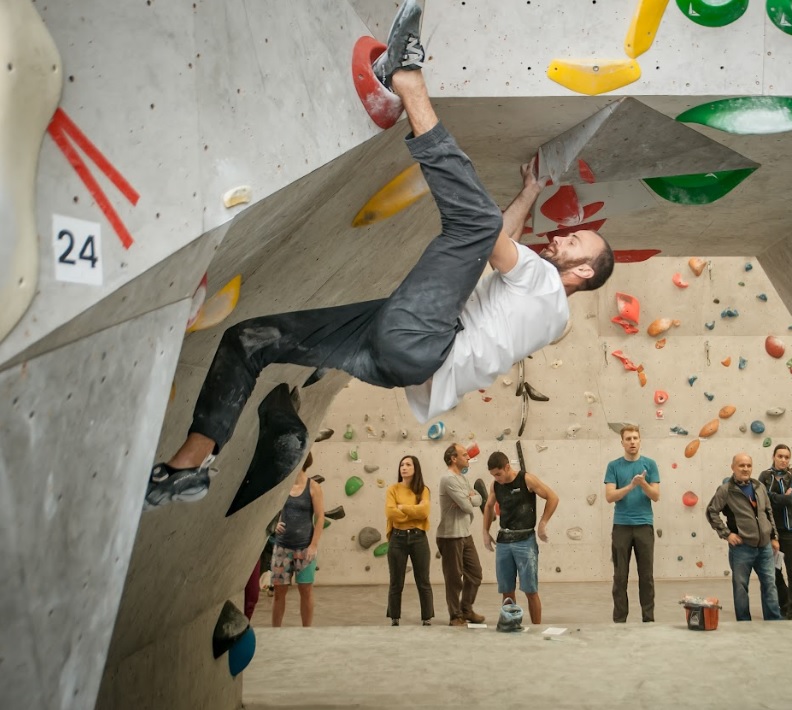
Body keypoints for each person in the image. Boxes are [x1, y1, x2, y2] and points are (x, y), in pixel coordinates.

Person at [143, 0, 615, 508]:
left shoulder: (545, 285)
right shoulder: (542, 311)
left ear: (583, 271)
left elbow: (487, 234)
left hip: (420, 342)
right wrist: (529, 191)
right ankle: (189, 466)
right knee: (249, 340)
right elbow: (493, 240)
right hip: (401, 358)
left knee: (472, 223)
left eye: (577, 242)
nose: (566, 237)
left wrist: (526, 196)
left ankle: (406, 77)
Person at [481, 451, 559, 624]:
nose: (497, 478)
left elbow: (553, 497)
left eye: (499, 474)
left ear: (507, 467)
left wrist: (542, 523)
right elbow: (488, 506)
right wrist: (485, 532)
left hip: (525, 541)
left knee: (530, 590)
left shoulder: (527, 479)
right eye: (493, 475)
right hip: (504, 541)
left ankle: (536, 627)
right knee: (507, 590)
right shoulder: (495, 485)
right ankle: (511, 625)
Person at [705, 453, 782, 622]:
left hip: (765, 547)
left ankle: (774, 621)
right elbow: (711, 511)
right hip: (742, 548)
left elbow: (768, 512)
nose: (745, 469)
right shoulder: (726, 490)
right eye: (741, 465)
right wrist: (727, 534)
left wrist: (774, 537)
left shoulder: (758, 486)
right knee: (741, 588)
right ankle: (744, 622)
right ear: (733, 467)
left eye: (748, 465)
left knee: (770, 585)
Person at [604, 425, 660, 623]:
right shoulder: (614, 466)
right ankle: (619, 620)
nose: (632, 442)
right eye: (628, 439)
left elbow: (656, 496)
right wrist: (630, 486)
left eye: (635, 438)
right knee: (620, 577)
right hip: (621, 527)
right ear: (622, 443)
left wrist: (643, 483)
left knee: (646, 577)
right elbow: (610, 496)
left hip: (644, 526)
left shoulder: (650, 465)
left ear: (640, 441)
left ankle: (648, 618)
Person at [271, 452, 325, 627]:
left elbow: (320, 518)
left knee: (306, 590)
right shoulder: (282, 485)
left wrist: (313, 545)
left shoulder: (313, 487)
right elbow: (268, 509)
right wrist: (273, 524)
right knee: (279, 592)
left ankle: (306, 632)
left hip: (305, 548)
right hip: (282, 548)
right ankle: (275, 632)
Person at [437, 443, 484, 626]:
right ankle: (455, 616)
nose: (468, 457)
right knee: (454, 578)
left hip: (465, 533)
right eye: (464, 455)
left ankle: (466, 610)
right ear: (453, 458)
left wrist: (469, 497)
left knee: (475, 574)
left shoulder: (462, 479)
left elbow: (478, 499)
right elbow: (467, 506)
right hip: (450, 536)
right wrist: (469, 498)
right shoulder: (448, 479)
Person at [385, 454, 435, 626]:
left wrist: (403, 508)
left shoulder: (423, 490)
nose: (404, 468)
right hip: (397, 539)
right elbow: (391, 514)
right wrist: (413, 512)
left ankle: (427, 617)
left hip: (418, 538)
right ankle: (394, 617)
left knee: (423, 580)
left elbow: (424, 512)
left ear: (416, 469)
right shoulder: (393, 489)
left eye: (408, 464)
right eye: (401, 465)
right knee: (396, 581)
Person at [758, 444, 792, 620]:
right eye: (780, 456)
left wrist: (775, 497)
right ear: (773, 457)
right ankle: (784, 605)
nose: (783, 460)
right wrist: (781, 498)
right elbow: (761, 499)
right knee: (774, 572)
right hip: (773, 533)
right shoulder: (764, 476)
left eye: (787, 457)